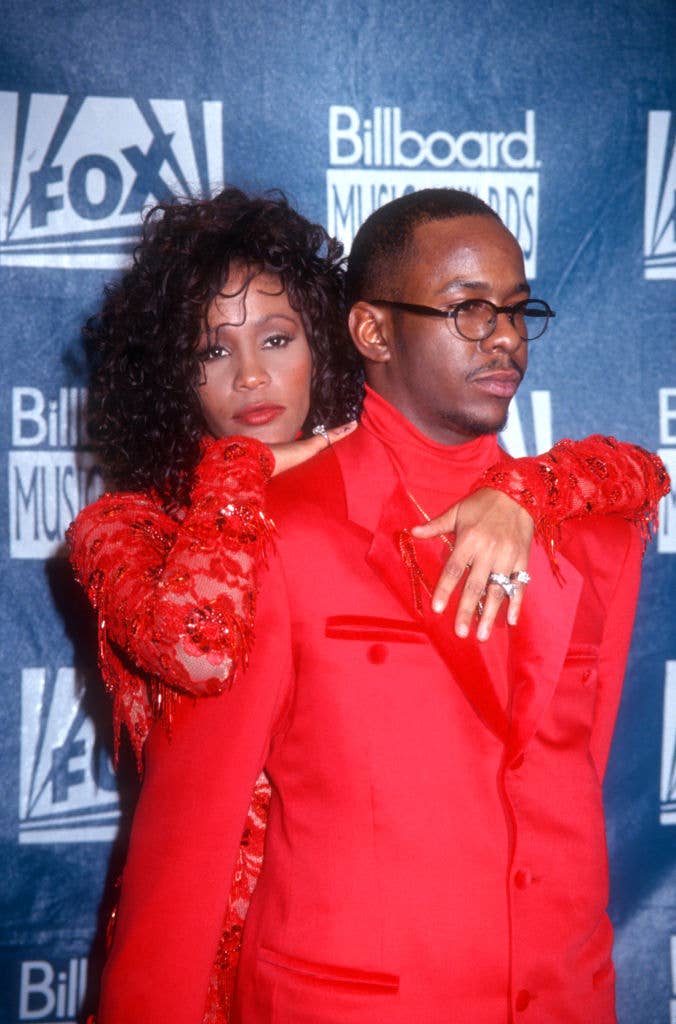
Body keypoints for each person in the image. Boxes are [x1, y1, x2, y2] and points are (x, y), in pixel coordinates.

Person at [84, 186, 669, 1024]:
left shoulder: (596, 540)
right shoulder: (264, 540)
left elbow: (573, 789)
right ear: (371, 330)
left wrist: (526, 490)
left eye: (513, 309)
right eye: (467, 310)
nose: (501, 336)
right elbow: (186, 857)